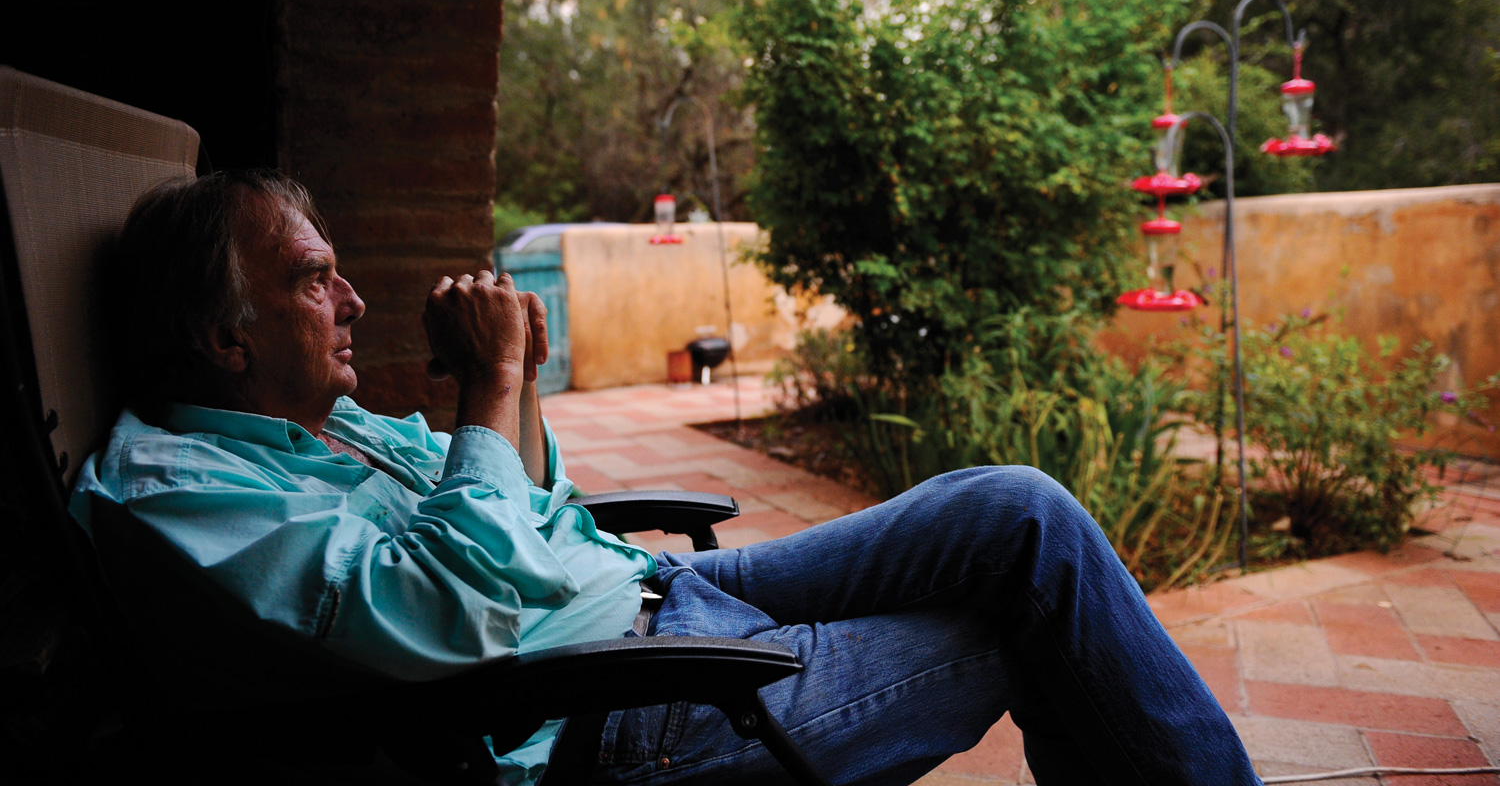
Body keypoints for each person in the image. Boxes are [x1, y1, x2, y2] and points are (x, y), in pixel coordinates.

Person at [71, 170, 1263, 786]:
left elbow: (532, 507)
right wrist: (488, 384)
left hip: (645, 597)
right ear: (225, 336)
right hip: (618, 711)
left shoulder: (319, 426)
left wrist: (518, 390)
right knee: (1033, 626)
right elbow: (455, 613)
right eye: (312, 279)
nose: (354, 301)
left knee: (1018, 514)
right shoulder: (172, 494)